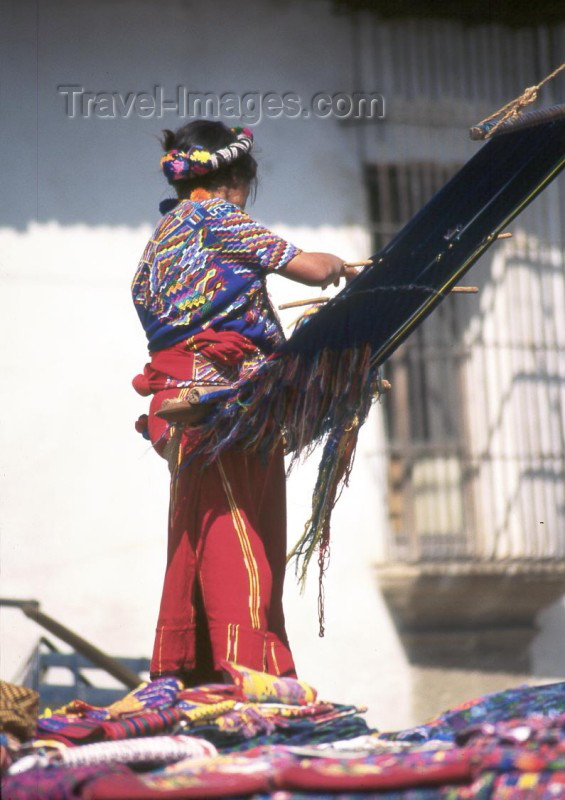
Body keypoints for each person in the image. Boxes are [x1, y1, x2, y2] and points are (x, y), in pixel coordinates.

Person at [132, 120, 350, 686]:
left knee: (200, 533)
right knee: (240, 537)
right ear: (236, 179)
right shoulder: (219, 218)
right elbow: (310, 266)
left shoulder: (160, 240)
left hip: (184, 404)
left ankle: (195, 670)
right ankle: (247, 673)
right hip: (221, 406)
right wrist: (340, 268)